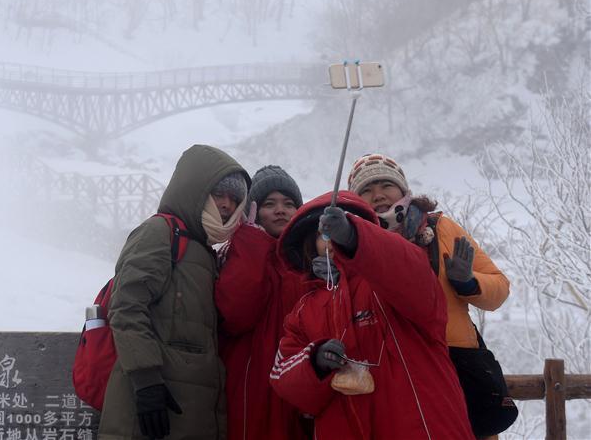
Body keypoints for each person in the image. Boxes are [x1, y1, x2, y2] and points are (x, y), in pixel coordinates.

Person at [269, 191, 474, 439]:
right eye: (324, 235)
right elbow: (283, 377)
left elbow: (414, 279)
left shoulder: (391, 279)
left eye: (336, 231)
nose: (331, 240)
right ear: (310, 245)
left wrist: (354, 237)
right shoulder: (303, 310)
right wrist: (315, 362)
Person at [98, 144, 249, 440]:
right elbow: (127, 307)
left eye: (235, 199)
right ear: (194, 190)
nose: (227, 205)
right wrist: (146, 381)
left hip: (189, 413)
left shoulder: (205, 252)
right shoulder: (160, 232)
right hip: (151, 408)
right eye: (219, 194)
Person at [346, 154, 510, 350]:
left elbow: (500, 290)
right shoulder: (351, 245)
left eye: (386, 186)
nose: (378, 195)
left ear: (402, 189)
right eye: (366, 190)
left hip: (455, 354)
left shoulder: (441, 228)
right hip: (391, 363)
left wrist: (468, 283)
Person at [216, 165, 309, 440]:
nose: (280, 210)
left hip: (298, 386)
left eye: (289, 204)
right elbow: (235, 314)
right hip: (249, 387)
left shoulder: (310, 262)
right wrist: (250, 241)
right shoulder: (236, 253)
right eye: (269, 204)